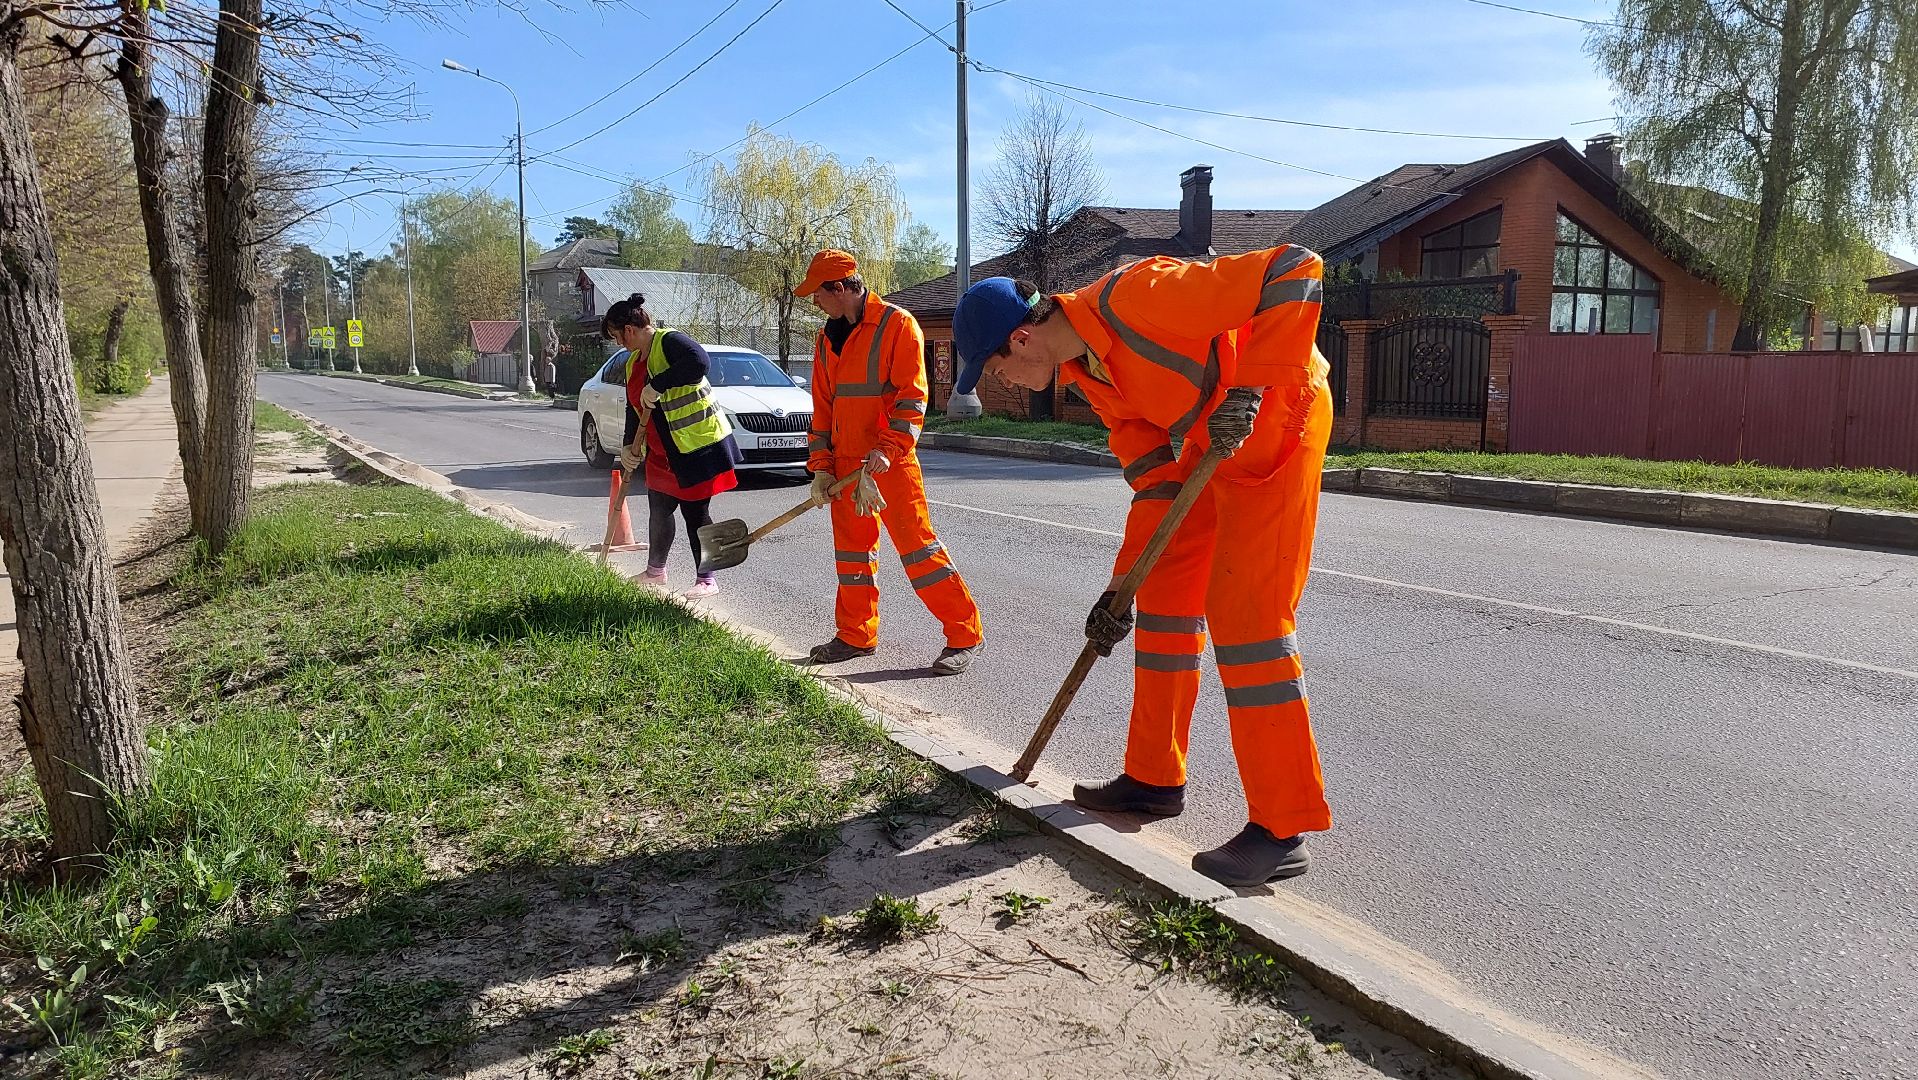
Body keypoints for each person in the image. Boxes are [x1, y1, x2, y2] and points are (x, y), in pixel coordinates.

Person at [949, 245, 1332, 887]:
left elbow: (1295, 267)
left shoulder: (1140, 295)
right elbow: (1155, 490)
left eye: (995, 368)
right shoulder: (1089, 375)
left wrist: (1253, 381)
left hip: (1280, 420)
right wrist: (1119, 590)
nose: (1001, 382)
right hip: (1218, 443)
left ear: (1021, 338)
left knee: (1248, 622)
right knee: (1163, 598)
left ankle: (1282, 825)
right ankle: (1154, 779)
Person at [797, 249, 983, 676]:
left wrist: (885, 451)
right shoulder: (826, 339)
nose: (815, 304)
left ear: (840, 288)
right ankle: (855, 635)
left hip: (888, 464)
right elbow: (822, 408)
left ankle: (964, 633)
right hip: (845, 465)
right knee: (852, 554)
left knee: (918, 550)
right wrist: (822, 466)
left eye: (819, 295)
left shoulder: (898, 325)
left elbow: (912, 397)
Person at [602, 292, 742, 598]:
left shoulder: (669, 341)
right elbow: (633, 406)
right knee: (660, 509)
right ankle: (656, 571)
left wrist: (659, 383)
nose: (618, 344)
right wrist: (629, 446)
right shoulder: (632, 362)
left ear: (629, 330)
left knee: (696, 514)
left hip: (694, 447)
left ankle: (707, 579)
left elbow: (699, 361)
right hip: (662, 451)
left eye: (617, 336)